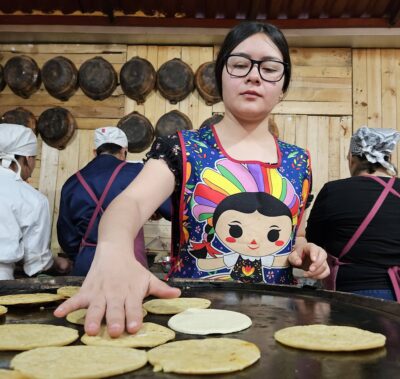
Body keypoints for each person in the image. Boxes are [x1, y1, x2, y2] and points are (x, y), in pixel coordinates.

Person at [55, 21, 329, 336]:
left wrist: (306, 252)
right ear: (220, 78)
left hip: (278, 323)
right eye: (239, 65)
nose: (254, 75)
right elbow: (130, 201)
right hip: (195, 320)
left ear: (282, 88)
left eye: (269, 68)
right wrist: (113, 248)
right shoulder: (183, 148)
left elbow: (296, 236)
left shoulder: (299, 161)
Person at [57, 126, 171, 276]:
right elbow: (170, 210)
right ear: (124, 152)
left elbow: (67, 240)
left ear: (95, 152)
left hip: (88, 265)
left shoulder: (72, 183)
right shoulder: (138, 172)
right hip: (129, 263)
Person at [306, 126, 400, 301]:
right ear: (388, 158)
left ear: (351, 158)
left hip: (351, 294)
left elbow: (313, 242)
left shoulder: (333, 190)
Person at [0, 123, 70, 280]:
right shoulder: (32, 198)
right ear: (27, 159)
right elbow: (36, 263)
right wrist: (57, 263)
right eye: (34, 159)